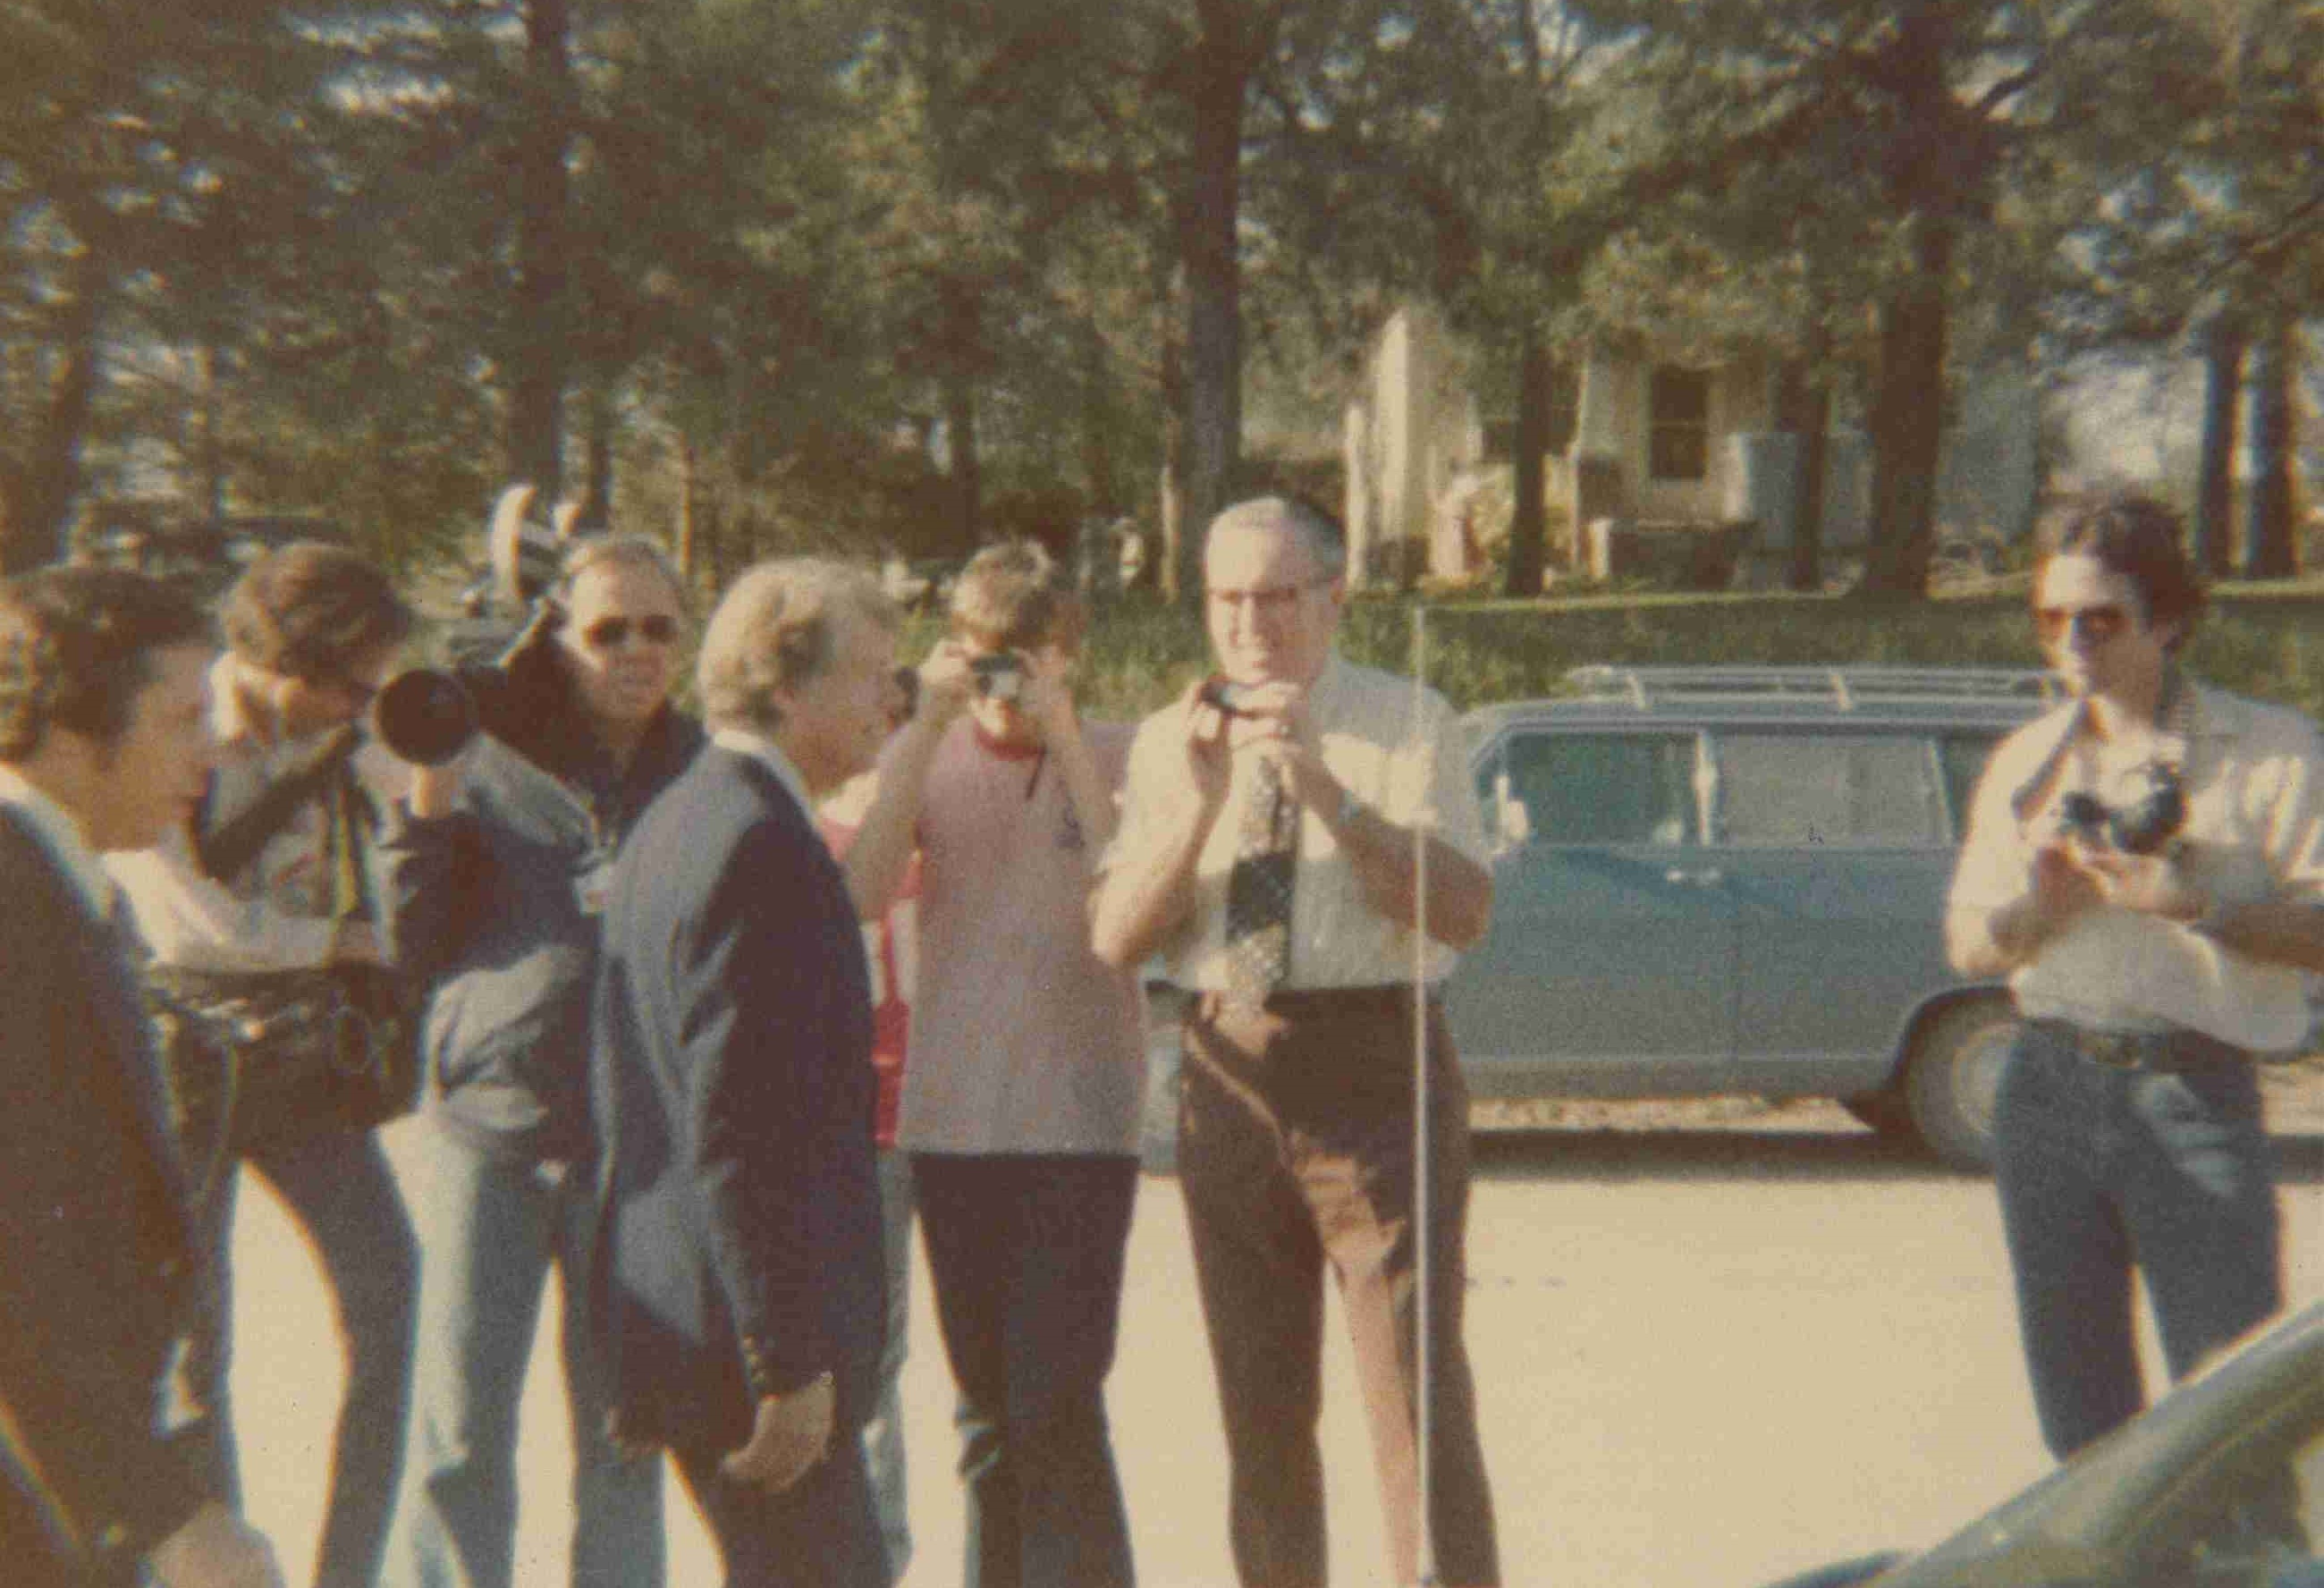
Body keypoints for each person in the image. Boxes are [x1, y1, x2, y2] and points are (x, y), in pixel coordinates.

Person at [1090, 494, 1500, 1588]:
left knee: (1413, 1395)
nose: (1250, 625)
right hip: (1226, 1062)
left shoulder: (1410, 719)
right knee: (1259, 1408)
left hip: (1374, 1055)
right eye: (1227, 598)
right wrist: (1199, 803)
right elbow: (1118, 938)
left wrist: (1326, 792)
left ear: (1334, 599)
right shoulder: (1172, 738)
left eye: (1277, 597)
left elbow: (1462, 909)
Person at [1947, 494, 2324, 1461]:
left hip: (2189, 1089)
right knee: (2081, 1435)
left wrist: (2190, 897)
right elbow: (1967, 946)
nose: (2070, 643)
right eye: (2049, 618)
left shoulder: (2274, 751)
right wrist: (2039, 913)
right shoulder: (2026, 763)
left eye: (2099, 619)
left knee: (2226, 1432)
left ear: (2169, 619)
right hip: (2045, 1088)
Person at [379, 535, 703, 1588]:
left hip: (640, 1146)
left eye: (660, 628)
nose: (636, 651)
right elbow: (409, 939)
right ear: (557, 640)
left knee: (625, 1434)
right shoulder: (484, 756)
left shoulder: (705, 772)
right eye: (608, 630)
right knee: (460, 1434)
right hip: (497, 1128)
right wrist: (432, 785)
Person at [107, 543, 421, 1588]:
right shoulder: (182, 729)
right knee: (199, 1352)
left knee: (390, 1295)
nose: (357, 704)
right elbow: (205, 915)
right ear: (285, 658)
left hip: (304, 1060)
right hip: (188, 1053)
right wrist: (332, 938)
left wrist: (427, 760)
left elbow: (408, 825)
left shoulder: (344, 731)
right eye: (344, 682)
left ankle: (348, 1573)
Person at [587, 558, 899, 1588]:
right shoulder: (757, 844)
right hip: (746, 1349)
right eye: (871, 675)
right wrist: (788, 1362)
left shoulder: (677, 817)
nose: (890, 702)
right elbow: (736, 1132)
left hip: (691, 1323)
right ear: (787, 685)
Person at [841, 542, 1144, 1588]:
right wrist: (922, 729)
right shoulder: (926, 757)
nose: (1005, 687)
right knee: (985, 1418)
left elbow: (1134, 910)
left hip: (1078, 1121)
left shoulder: (1118, 753)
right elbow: (861, 898)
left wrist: (1063, 738)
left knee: (1058, 1405)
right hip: (954, 1124)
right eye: (987, 661)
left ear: (1070, 656)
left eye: (1030, 660)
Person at [0, 565, 284, 1588]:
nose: (211, 750)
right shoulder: (13, 913)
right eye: (182, 719)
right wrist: (155, 1515)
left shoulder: (60, 884)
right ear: (71, 736)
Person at [818, 728, 922, 1586]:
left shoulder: (944, 834)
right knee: (872, 1354)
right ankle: (876, 1555)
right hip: (870, 1126)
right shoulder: (813, 838)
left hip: (954, 1118)